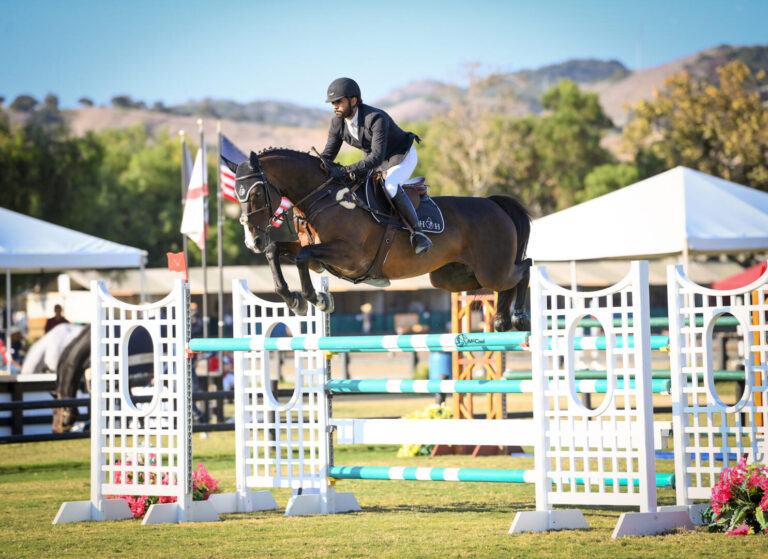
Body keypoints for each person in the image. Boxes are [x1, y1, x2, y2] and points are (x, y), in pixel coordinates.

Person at [321, 77, 433, 255]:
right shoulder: (337, 123)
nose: (335, 106)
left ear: (353, 100)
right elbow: (328, 155)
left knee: (390, 185)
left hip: (401, 155)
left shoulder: (375, 118)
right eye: (332, 103)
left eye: (338, 101)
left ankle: (418, 233)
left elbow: (375, 157)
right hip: (377, 159)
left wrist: (346, 170)